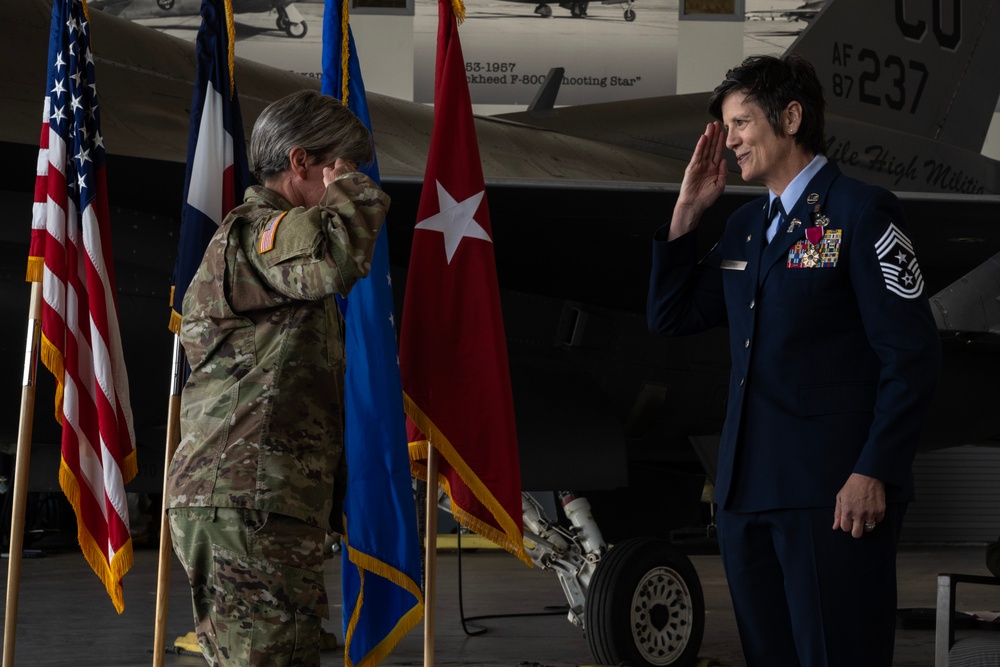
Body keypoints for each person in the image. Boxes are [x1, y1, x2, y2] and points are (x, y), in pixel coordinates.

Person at [647, 55, 941, 666]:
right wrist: (687, 213)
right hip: (746, 494)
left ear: (791, 117)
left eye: (741, 123)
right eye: (726, 127)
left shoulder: (861, 212)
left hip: (834, 496)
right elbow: (670, 317)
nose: (730, 140)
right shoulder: (745, 227)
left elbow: (912, 357)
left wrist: (874, 471)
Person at [165, 89, 389, 666]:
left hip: (257, 501)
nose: (351, 179)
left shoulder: (267, 244)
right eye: (342, 167)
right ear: (300, 162)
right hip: (248, 501)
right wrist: (355, 193)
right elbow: (336, 257)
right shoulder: (260, 234)